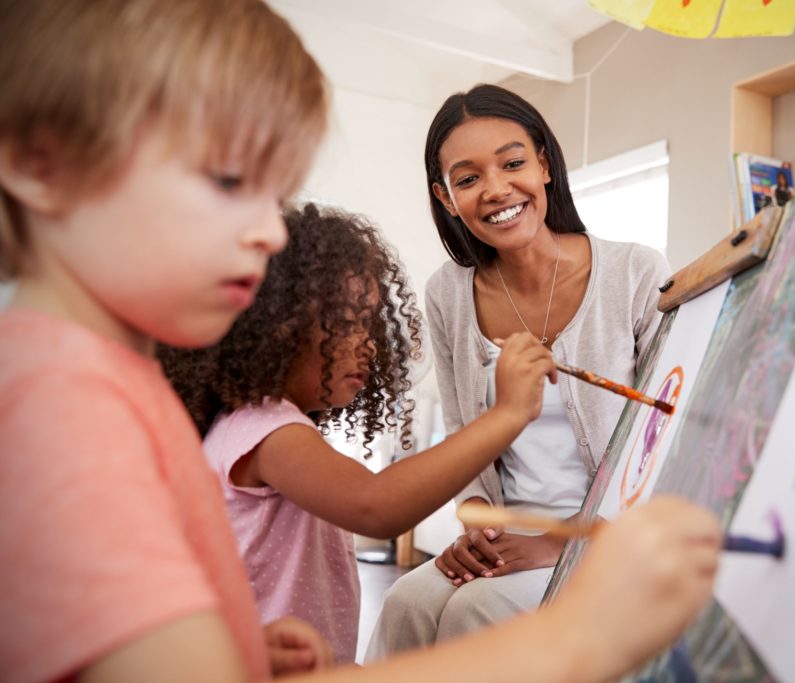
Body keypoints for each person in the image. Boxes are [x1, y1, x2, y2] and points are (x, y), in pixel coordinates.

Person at [0, 2, 721, 681]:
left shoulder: (107, 385)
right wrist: (582, 633)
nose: (271, 233)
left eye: (272, 192)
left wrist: (232, 649)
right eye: (226, 180)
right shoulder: (63, 411)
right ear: (42, 165)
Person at [159, 202, 556, 664]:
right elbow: (377, 505)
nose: (369, 342)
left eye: (370, 324)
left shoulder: (262, 427)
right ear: (280, 329)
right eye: (349, 323)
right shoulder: (265, 431)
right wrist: (507, 414)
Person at [367, 83, 672, 658]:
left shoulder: (634, 272)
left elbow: (664, 443)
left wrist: (561, 546)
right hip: (506, 535)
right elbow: (465, 438)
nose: (496, 189)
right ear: (446, 197)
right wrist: (476, 532)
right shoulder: (447, 295)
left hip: (607, 539)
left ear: (544, 165)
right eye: (468, 178)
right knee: (406, 602)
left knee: (477, 611)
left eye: (512, 163)